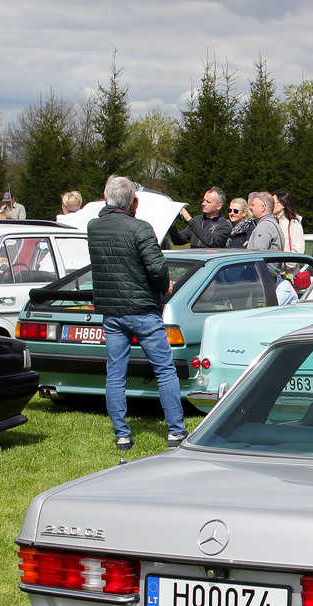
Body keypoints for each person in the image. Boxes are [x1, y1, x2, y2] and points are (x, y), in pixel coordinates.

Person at [87, 175, 187, 451]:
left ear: (107, 198)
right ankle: (176, 432)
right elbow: (157, 268)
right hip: (142, 309)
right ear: (134, 201)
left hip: (111, 309)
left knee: (115, 373)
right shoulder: (140, 227)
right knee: (165, 370)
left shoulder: (94, 227)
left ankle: (121, 434)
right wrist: (164, 287)